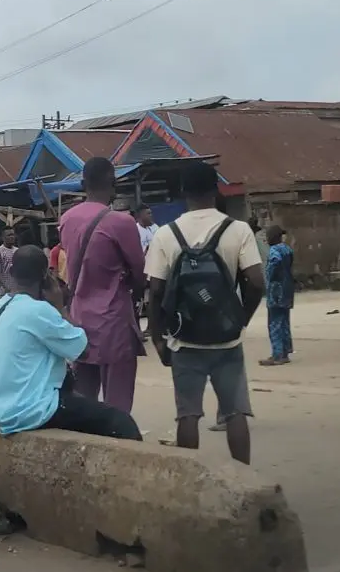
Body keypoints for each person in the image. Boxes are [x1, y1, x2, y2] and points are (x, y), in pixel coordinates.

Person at [145, 161, 265, 465]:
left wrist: (159, 339)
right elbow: (257, 283)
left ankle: (191, 484)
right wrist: (241, 318)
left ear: (183, 192)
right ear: (216, 189)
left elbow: (155, 291)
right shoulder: (238, 230)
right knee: (235, 412)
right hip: (226, 339)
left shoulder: (165, 234)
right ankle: (244, 483)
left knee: (187, 415)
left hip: (184, 340)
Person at [0, 245, 142, 440]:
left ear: (11, 272)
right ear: (45, 276)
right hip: (35, 409)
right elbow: (83, 350)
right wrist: (59, 307)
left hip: (3, 411)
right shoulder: (39, 311)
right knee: (121, 422)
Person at [59, 157, 145, 414]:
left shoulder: (66, 219)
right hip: (113, 321)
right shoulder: (122, 222)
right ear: (113, 182)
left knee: (83, 399)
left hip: (79, 319)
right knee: (117, 404)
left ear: (83, 183)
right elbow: (140, 274)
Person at [261, 225, 295, 367]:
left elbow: (273, 265)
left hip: (276, 291)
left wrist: (268, 278)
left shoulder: (274, 251)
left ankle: (277, 355)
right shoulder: (287, 249)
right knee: (284, 322)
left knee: (274, 323)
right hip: (287, 289)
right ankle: (285, 352)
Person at [0, 227, 19, 301]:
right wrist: (6, 287)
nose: (12, 237)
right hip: (4, 289)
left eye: (13, 235)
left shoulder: (18, 251)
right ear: (3, 237)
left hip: (17, 287)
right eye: (9, 235)